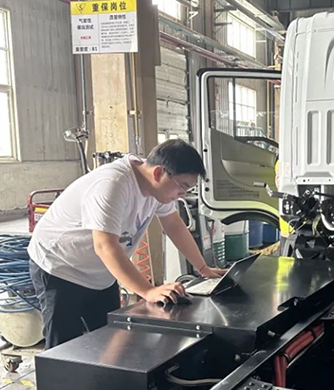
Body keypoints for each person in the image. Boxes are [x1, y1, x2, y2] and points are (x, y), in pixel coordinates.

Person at [28, 139, 226, 349]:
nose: (182, 195)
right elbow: (105, 247)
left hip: (100, 274)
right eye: (182, 187)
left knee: (111, 343)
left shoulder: (156, 189)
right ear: (159, 172)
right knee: (63, 350)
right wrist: (148, 291)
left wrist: (202, 268)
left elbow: (174, 225)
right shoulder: (113, 184)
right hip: (60, 267)